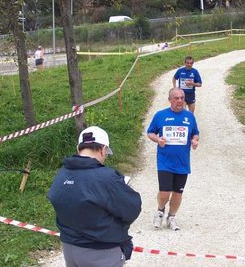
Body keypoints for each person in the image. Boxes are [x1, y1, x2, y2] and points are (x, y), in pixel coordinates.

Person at [48, 126, 142, 267]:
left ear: (79, 148)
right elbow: (132, 208)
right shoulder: (106, 177)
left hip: (69, 248)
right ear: (103, 149)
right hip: (101, 252)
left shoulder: (62, 174)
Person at [147, 88, 199, 231]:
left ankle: (171, 217)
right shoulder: (160, 116)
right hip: (165, 161)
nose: (180, 101)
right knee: (164, 193)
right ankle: (160, 211)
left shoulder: (189, 117)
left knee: (177, 193)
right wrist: (158, 139)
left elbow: (195, 134)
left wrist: (195, 141)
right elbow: (150, 132)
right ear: (170, 99)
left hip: (182, 163)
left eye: (182, 98)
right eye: (176, 98)